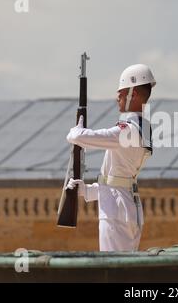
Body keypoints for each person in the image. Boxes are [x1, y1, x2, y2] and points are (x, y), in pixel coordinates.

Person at [65, 64, 155, 251]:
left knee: (114, 272)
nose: (117, 98)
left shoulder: (128, 130)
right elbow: (118, 179)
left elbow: (85, 138)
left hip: (117, 212)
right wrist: (88, 191)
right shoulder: (141, 127)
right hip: (124, 206)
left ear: (134, 94)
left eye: (121, 93)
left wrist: (76, 132)